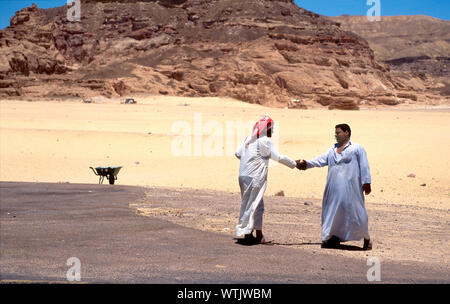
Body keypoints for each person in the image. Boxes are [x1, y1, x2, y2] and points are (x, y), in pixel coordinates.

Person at [297, 123, 373, 250]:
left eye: (338, 132)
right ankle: (330, 237)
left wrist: (366, 182)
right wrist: (307, 164)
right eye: (335, 133)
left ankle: (366, 238)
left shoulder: (357, 148)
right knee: (331, 213)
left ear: (347, 132)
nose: (336, 135)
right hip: (333, 188)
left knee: (357, 212)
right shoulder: (332, 150)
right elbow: (319, 160)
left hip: (351, 188)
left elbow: (364, 165)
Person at [235, 115, 299, 244]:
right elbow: (278, 157)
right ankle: (248, 234)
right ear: (266, 128)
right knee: (253, 204)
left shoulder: (248, 138)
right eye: (271, 128)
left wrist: (249, 159)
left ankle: (258, 234)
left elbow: (237, 153)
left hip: (243, 176)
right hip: (255, 177)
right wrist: (294, 163)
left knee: (255, 204)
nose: (272, 131)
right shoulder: (264, 141)